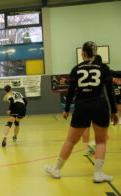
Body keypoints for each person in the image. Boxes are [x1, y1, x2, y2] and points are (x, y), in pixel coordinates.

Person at [45, 41, 119, 183]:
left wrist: (66, 109)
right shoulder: (104, 68)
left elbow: (71, 91)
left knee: (71, 140)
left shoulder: (76, 69)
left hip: (82, 106)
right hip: (100, 105)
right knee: (101, 141)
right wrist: (114, 111)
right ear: (95, 53)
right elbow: (110, 91)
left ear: (83, 53)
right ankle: (98, 174)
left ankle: (57, 169)